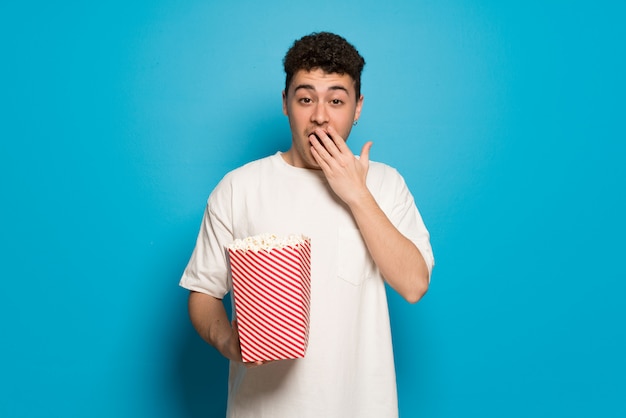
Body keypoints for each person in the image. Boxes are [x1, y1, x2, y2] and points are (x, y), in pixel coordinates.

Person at [180, 31, 434, 418]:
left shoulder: (385, 184)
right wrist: (228, 340)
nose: (320, 115)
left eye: (336, 100)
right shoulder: (238, 188)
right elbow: (203, 292)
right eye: (305, 99)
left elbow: (414, 284)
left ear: (358, 107)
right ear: (285, 103)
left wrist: (356, 195)